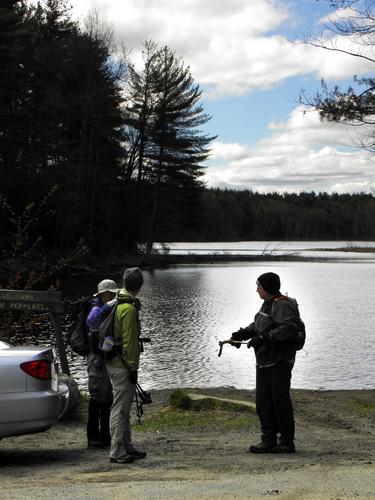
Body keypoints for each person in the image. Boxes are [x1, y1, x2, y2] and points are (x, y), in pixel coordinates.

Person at [230, 272, 300, 454]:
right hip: (264, 360)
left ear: (267, 288)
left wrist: (263, 338)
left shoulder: (283, 304)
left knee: (280, 401)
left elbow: (288, 330)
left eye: (259, 287)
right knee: (263, 402)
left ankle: (286, 442)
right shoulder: (267, 303)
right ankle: (268, 440)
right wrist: (242, 334)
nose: (256, 290)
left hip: (280, 360)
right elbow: (259, 325)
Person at [106, 267, 146, 464]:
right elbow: (129, 342)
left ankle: (126, 445)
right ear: (139, 285)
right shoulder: (128, 308)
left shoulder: (117, 302)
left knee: (123, 407)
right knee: (120, 409)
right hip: (122, 365)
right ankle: (117, 451)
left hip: (113, 362)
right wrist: (133, 368)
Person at [86, 279, 118, 449]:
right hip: (97, 360)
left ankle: (104, 435)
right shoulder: (96, 311)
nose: (114, 297)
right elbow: (95, 334)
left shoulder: (103, 309)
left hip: (101, 359)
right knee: (98, 397)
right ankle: (93, 438)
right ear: (105, 295)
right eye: (112, 294)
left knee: (106, 398)